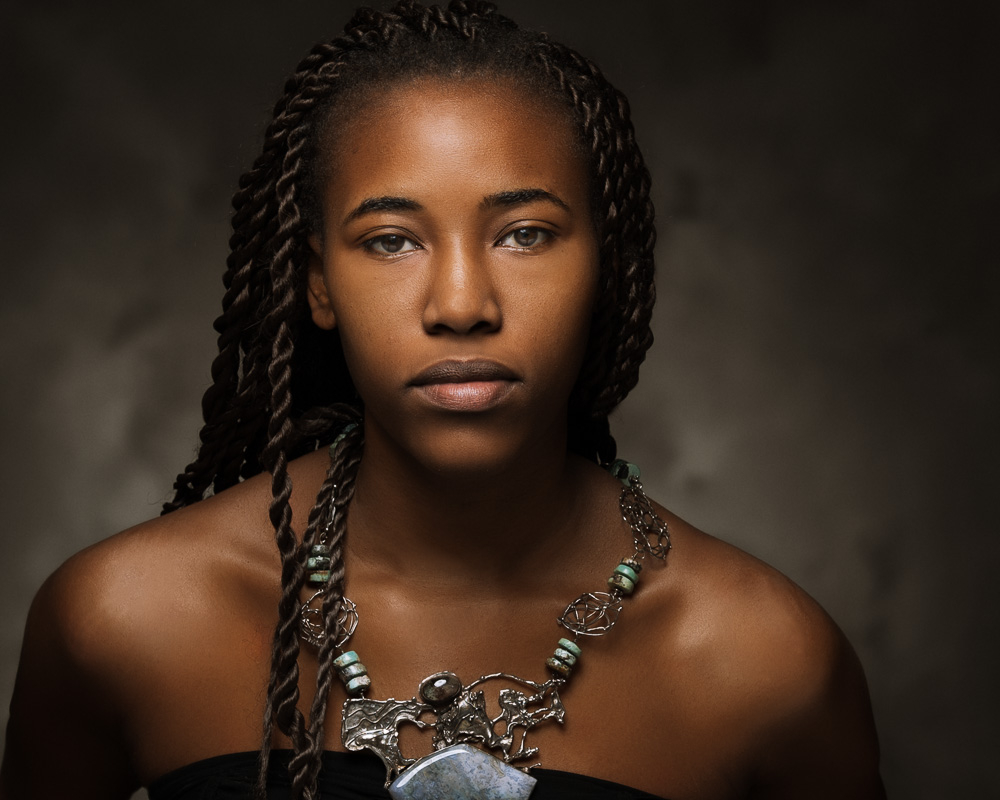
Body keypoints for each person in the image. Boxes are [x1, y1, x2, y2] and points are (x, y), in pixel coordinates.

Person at [0, 2, 885, 798]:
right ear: (318, 283)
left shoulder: (768, 664)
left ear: (605, 266)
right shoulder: (122, 618)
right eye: (391, 240)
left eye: (525, 234)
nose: (461, 305)